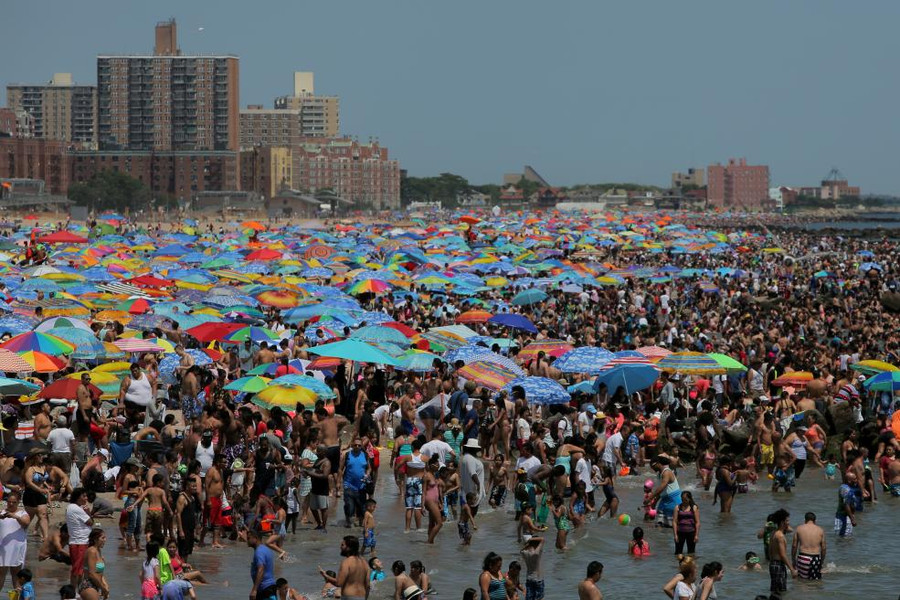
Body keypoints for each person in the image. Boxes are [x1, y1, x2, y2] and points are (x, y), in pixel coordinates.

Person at [319, 536, 370, 600]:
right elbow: (368, 585)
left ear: (349, 547)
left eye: (342, 545)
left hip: (349, 597)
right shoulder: (365, 563)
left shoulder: (347, 562)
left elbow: (339, 583)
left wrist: (326, 576)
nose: (340, 547)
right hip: (362, 597)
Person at [0, 491, 31, 591]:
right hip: (2, 549)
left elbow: (26, 523)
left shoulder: (23, 513)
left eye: (13, 502)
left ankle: (17, 598)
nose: (11, 504)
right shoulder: (1, 512)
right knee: (0, 575)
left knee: (17, 575)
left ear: (18, 502)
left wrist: (15, 517)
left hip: (16, 549)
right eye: (9, 501)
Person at [65, 487, 94, 589]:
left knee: (80, 569)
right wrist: (88, 512)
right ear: (78, 497)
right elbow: (90, 522)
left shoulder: (73, 507)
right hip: (79, 542)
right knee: (77, 570)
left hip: (79, 541)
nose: (86, 498)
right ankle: (73, 591)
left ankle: (79, 590)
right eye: (84, 496)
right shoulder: (76, 508)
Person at [767, 509, 796, 594]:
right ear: (782, 522)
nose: (789, 522)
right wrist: (792, 569)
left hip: (773, 564)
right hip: (778, 565)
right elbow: (783, 555)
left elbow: (770, 551)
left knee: (775, 591)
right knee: (781, 592)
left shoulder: (773, 533)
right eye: (787, 520)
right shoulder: (780, 536)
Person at [792, 511, 825, 581]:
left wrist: (793, 560)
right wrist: (821, 562)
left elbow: (794, 546)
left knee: (801, 582)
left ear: (805, 520)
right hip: (815, 558)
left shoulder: (799, 528)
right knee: (815, 583)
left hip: (802, 557)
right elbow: (824, 548)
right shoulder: (820, 530)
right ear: (815, 521)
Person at [247, 528, 278, 600]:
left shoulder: (259, 552)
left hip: (265, 589)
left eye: (249, 538)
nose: (247, 541)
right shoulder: (266, 549)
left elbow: (261, 569)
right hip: (270, 587)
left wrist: (254, 590)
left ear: (255, 538)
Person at [79, 529, 109, 600]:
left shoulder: (98, 551)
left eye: (105, 538)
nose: (105, 540)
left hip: (96, 585)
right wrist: (102, 587)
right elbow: (91, 574)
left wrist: (105, 585)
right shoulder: (92, 551)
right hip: (88, 586)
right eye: (103, 538)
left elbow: (99, 572)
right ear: (95, 539)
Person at [673, 491, 699, 555]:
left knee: (691, 553)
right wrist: (675, 535)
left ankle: (690, 564)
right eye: (682, 499)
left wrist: (696, 535)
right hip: (680, 532)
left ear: (689, 499)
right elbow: (674, 522)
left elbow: (697, 522)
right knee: (678, 553)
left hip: (691, 532)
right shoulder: (677, 508)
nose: (684, 501)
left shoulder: (694, 507)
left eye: (685, 499)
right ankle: (678, 564)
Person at [835, 471, 860, 537]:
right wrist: (852, 519)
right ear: (849, 480)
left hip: (848, 516)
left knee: (847, 538)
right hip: (843, 517)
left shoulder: (850, 488)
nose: (856, 480)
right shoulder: (845, 489)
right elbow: (846, 504)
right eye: (854, 479)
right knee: (843, 537)